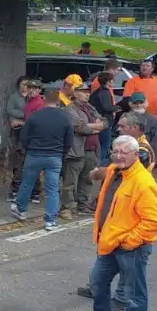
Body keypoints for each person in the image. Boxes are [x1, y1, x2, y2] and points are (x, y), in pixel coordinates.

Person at [77, 135, 157, 311]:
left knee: (135, 294)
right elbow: (103, 174)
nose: (120, 156)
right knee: (97, 281)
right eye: (116, 151)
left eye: (125, 152)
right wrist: (96, 172)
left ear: (136, 154)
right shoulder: (116, 171)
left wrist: (129, 241)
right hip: (111, 243)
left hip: (131, 247)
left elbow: (153, 222)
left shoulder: (143, 182)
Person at [14, 87, 73, 229]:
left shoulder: (35, 116)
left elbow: (24, 136)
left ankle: (21, 210)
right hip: (55, 156)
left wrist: (29, 148)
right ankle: (50, 220)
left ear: (44, 99)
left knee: (27, 182)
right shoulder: (65, 118)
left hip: (34, 154)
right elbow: (69, 140)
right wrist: (61, 153)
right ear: (58, 100)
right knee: (52, 188)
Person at [61, 81, 104, 221]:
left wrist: (96, 125)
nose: (87, 94)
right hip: (76, 150)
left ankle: (83, 204)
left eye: (88, 91)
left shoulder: (90, 107)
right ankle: (66, 207)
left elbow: (105, 122)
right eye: (83, 91)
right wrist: (95, 126)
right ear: (74, 93)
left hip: (92, 149)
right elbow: (80, 127)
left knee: (88, 179)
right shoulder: (69, 109)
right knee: (70, 181)